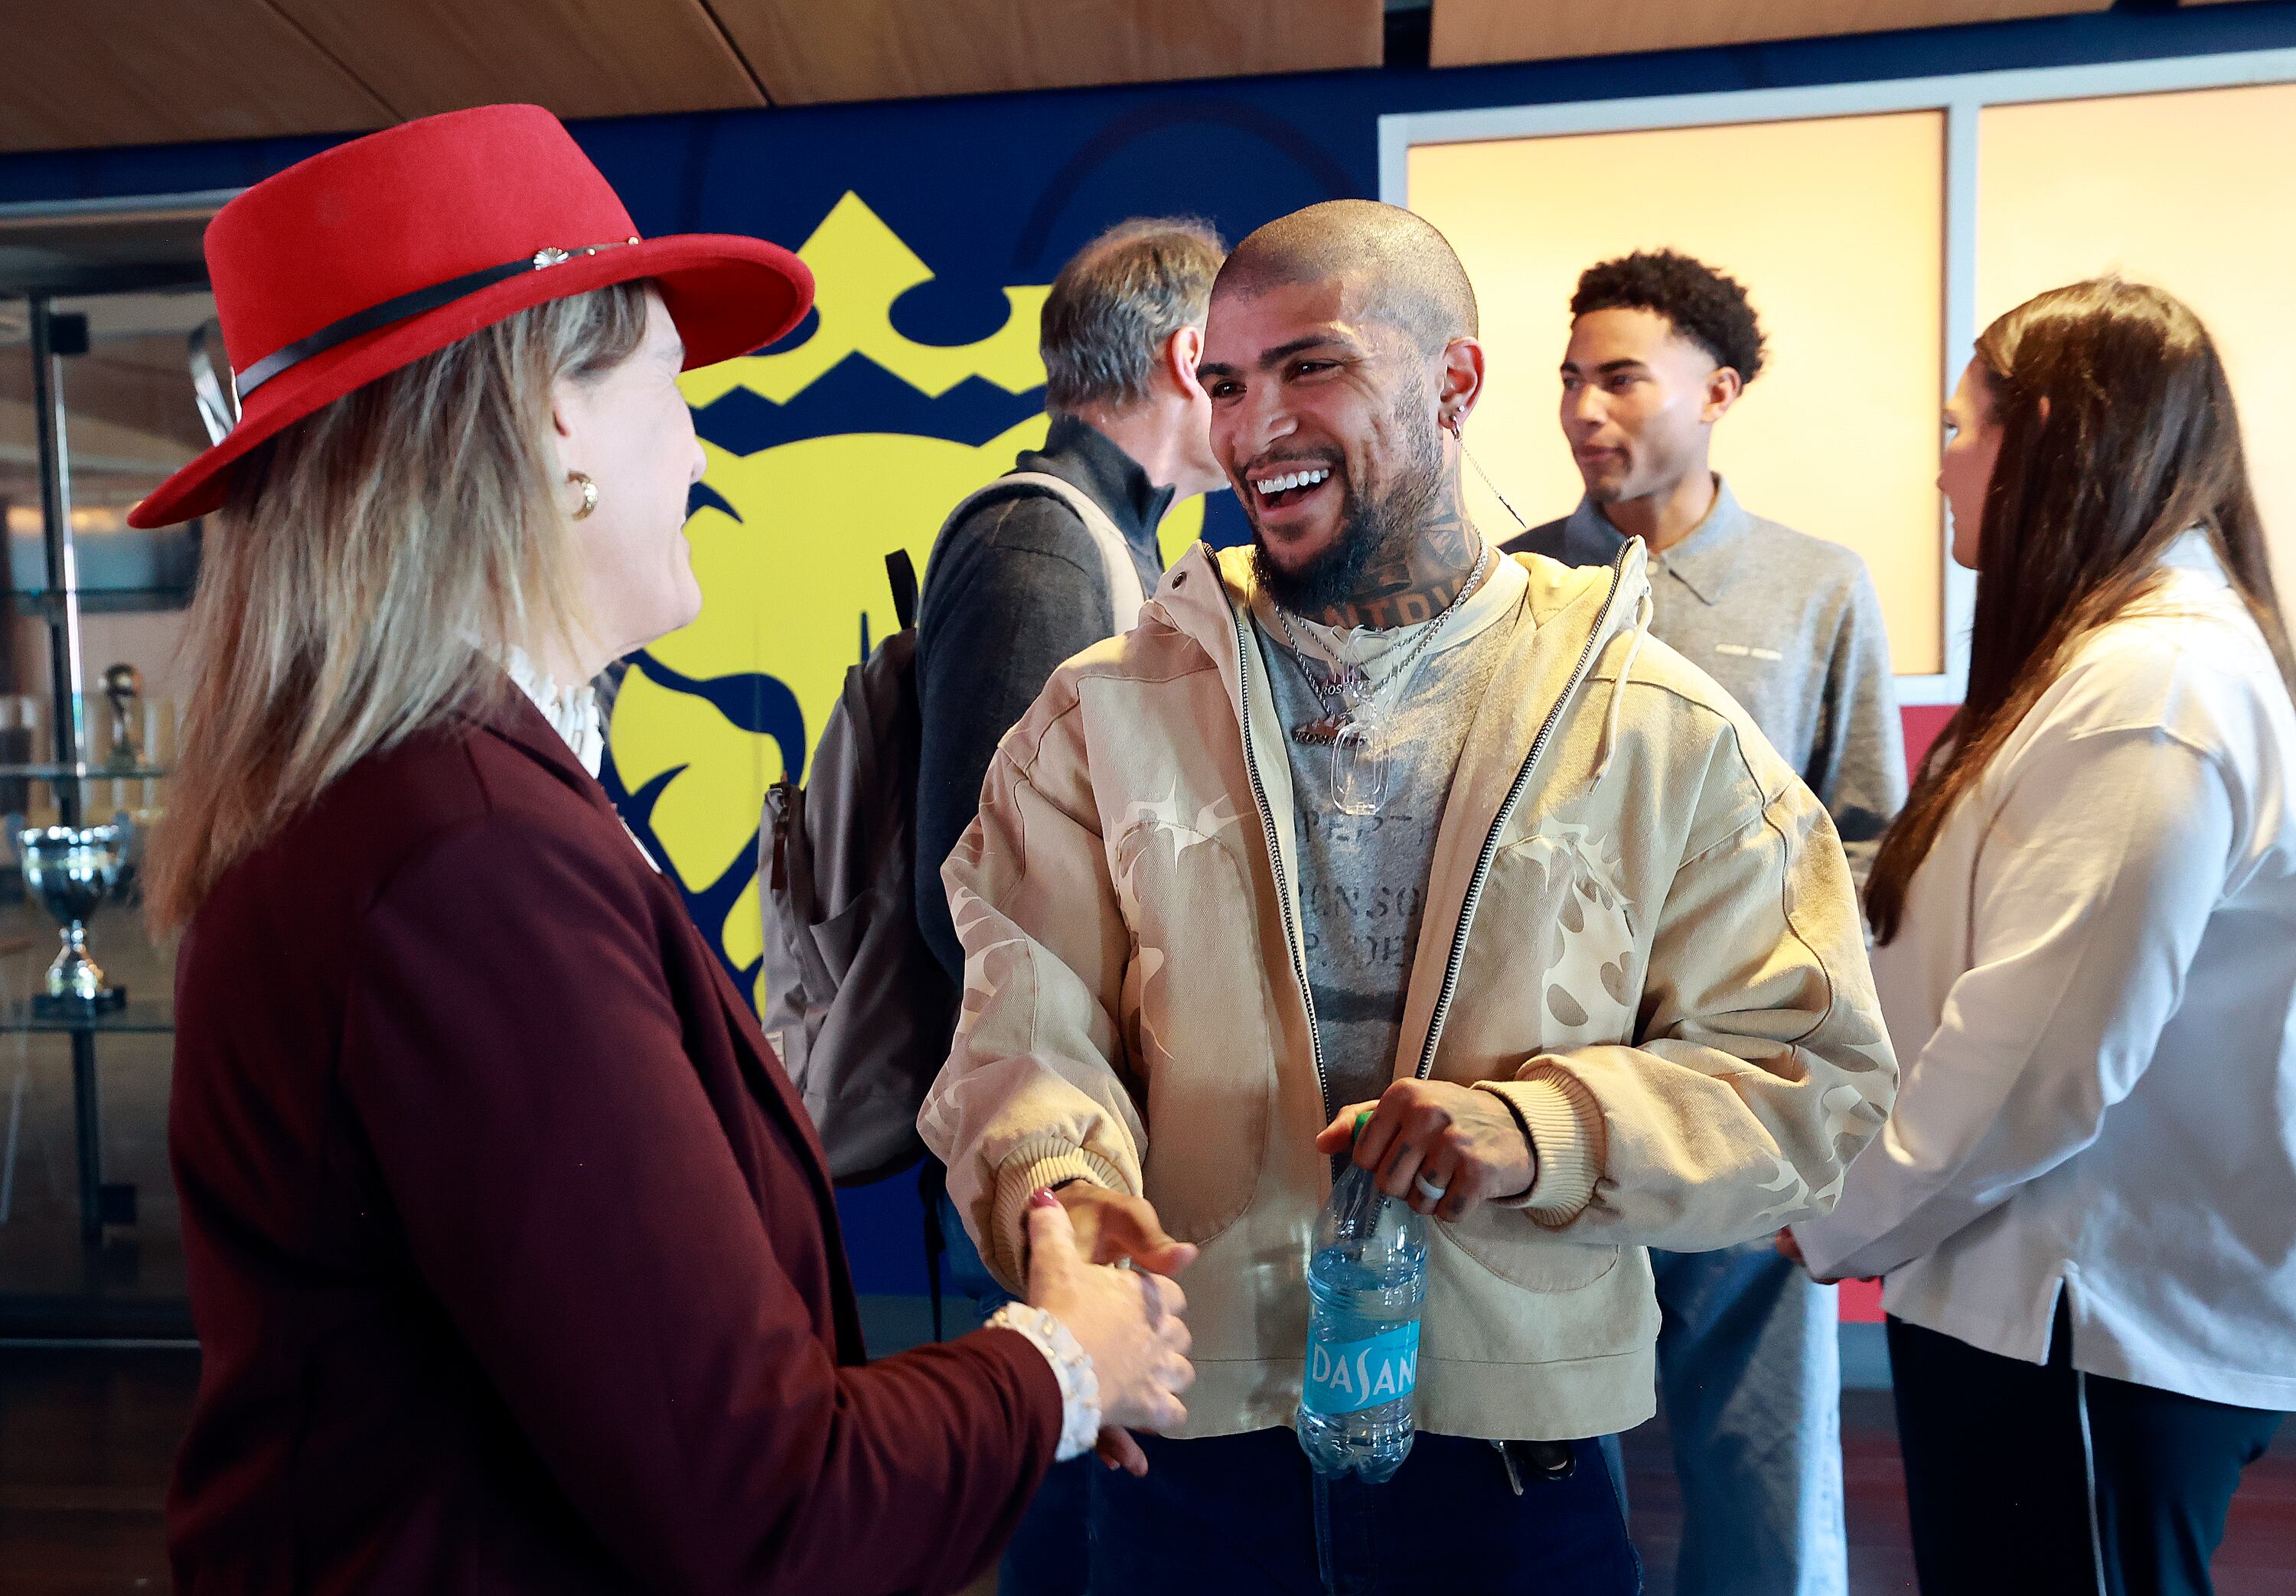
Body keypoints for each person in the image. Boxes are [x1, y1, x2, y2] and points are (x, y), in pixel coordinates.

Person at [140, 104, 1193, 1596]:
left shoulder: (427, 804)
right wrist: (1064, 1364)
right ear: (554, 423)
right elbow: (765, 1503)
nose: (699, 447)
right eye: (670, 387)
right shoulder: (463, 858)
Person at [919, 198, 1896, 1595]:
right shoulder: (1103, 713)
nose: (1257, 425)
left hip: (1508, 1470)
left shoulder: (1649, 720)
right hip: (1193, 1441)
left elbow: (1810, 1071)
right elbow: (1023, 1024)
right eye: (1227, 383)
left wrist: (1535, 1130)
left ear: (1456, 381)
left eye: (1311, 366)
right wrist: (1059, 1185)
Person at [1787, 279, 2296, 1596]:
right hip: (2020, 1291)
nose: (1940, 462)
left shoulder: (2156, 688)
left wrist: (1843, 1211)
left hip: (2082, 1309)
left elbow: (2044, 1058)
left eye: (1959, 426)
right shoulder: (2103, 657)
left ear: (2048, 433)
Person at [1503, 249, 1906, 1596]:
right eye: (1570, 378)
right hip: (1546, 1099)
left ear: (1717, 389)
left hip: (1741, 1094)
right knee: (1543, 1457)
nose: (1582, 408)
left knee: (1761, 1467)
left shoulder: (1818, 584)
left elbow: (1865, 843)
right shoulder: (1510, 587)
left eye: (1620, 375)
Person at [910, 214, 1227, 1596]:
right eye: (1250, 359)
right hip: (1042, 1119)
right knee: (1071, 1483)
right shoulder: (1050, 554)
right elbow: (980, 906)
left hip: (1074, 1110)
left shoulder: (1104, 537)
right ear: (1187, 354)